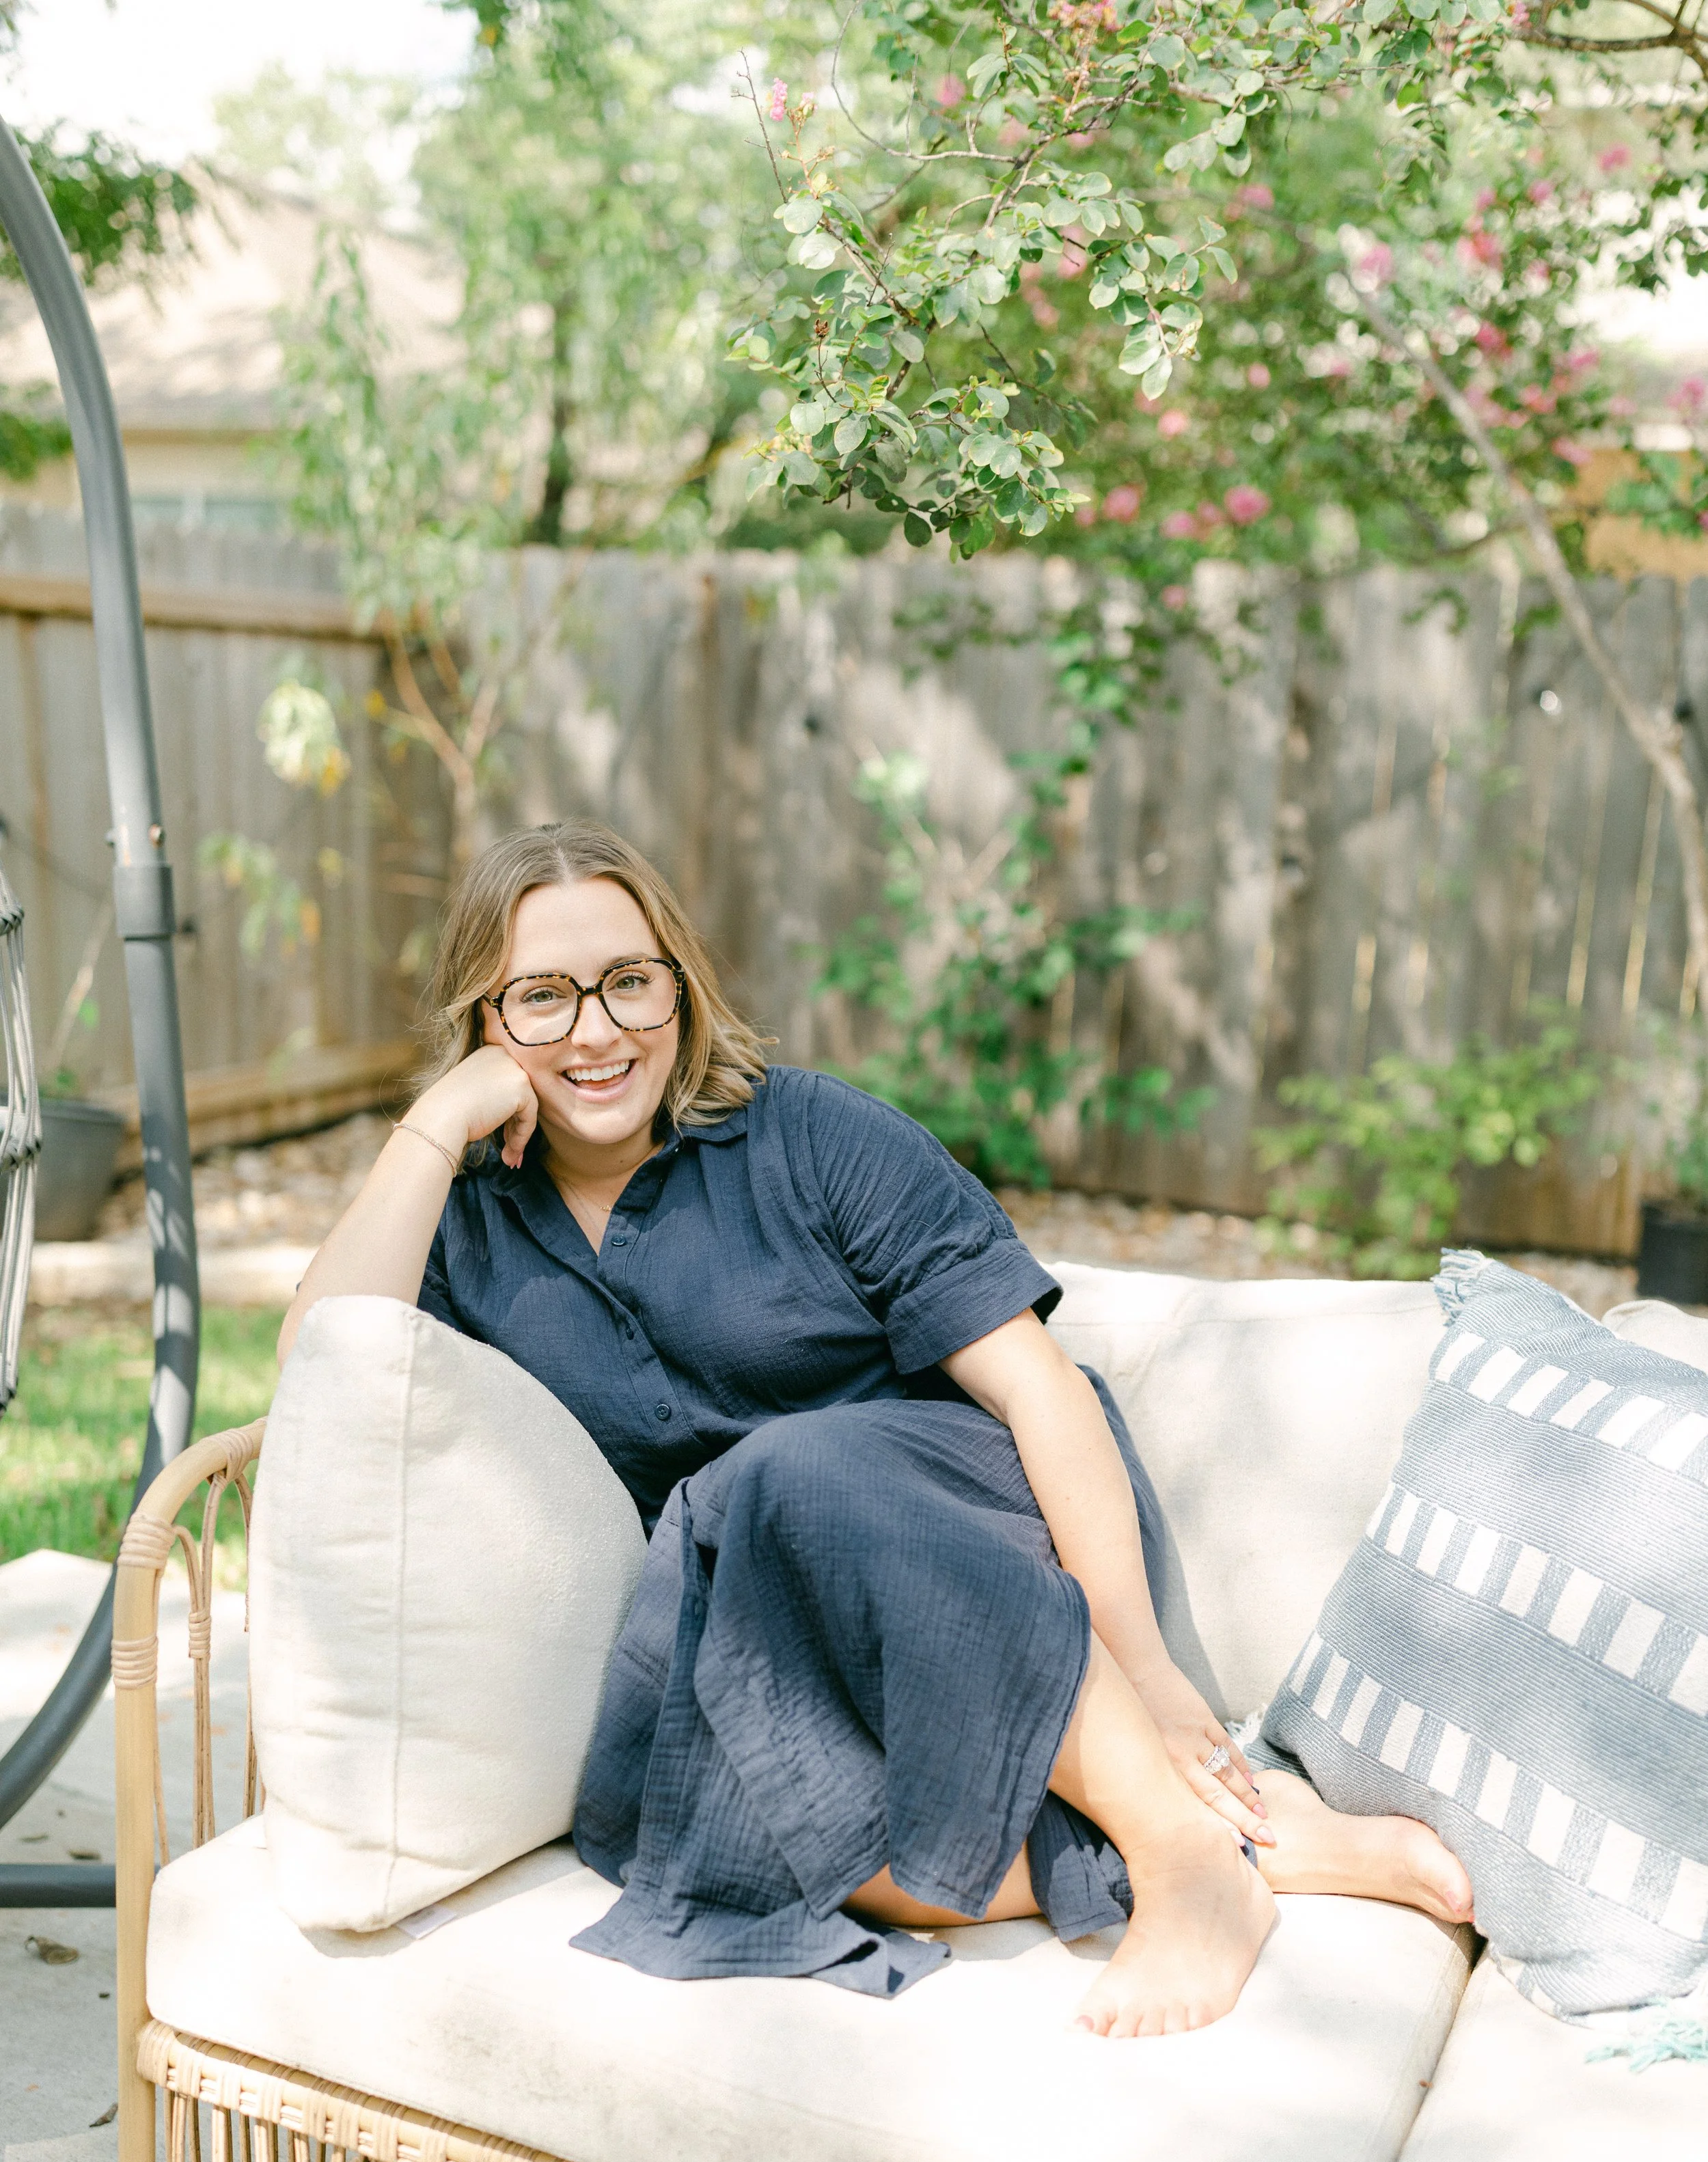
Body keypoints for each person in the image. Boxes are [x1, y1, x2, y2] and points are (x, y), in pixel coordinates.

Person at [282, 820, 1473, 2037]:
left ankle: (1183, 1857)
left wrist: (1152, 1670)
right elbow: (326, 1376)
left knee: (786, 1468)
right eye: (542, 996)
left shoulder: (808, 1135)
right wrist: (437, 1125)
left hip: (963, 1522)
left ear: (680, 988)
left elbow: (1039, 1388)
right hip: (765, 1617)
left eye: (629, 981)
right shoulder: (470, 1220)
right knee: (666, 1823)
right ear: (486, 1019)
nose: (597, 1030)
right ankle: (1266, 1845)